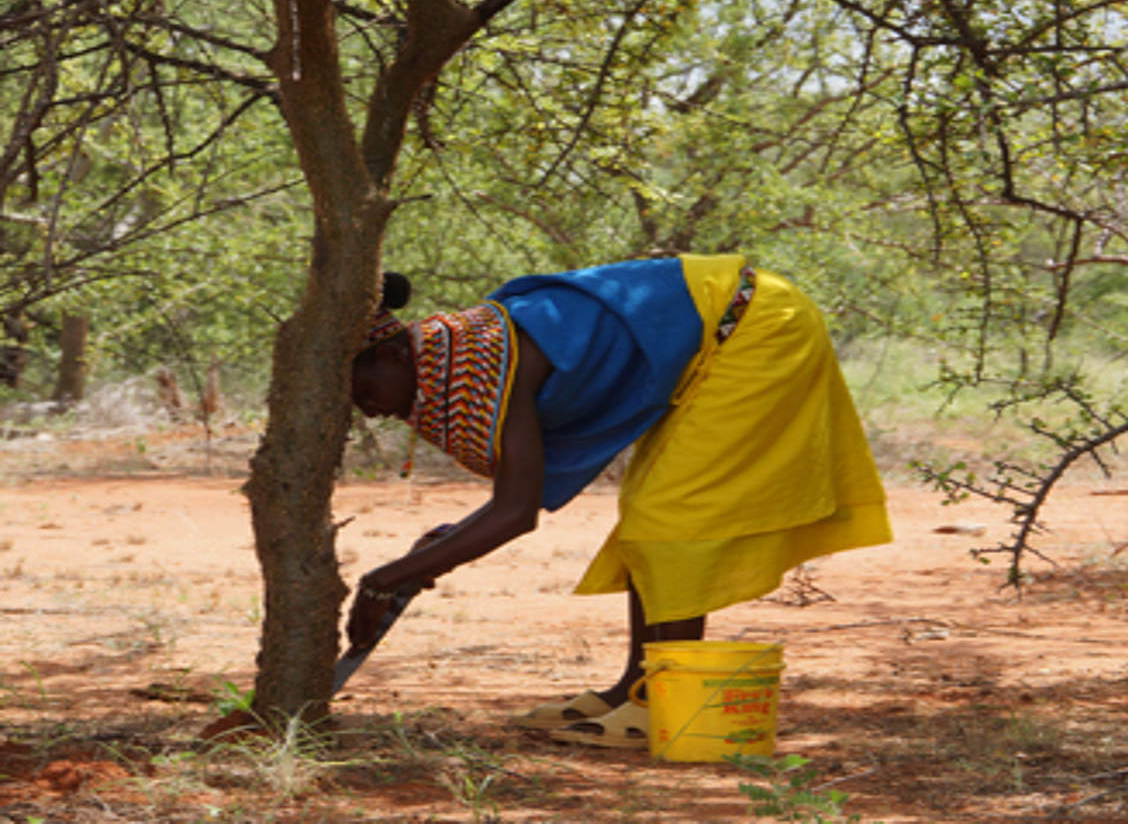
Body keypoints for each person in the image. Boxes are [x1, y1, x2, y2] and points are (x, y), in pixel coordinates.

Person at [347, 253, 891, 748]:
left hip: (753, 324)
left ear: (395, 354)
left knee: (671, 518)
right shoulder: (466, 353)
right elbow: (516, 499)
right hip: (727, 329)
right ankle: (635, 690)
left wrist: (387, 578)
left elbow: (517, 512)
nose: (369, 411)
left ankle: (654, 704)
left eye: (365, 391)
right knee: (648, 515)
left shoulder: (484, 358)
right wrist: (426, 557)